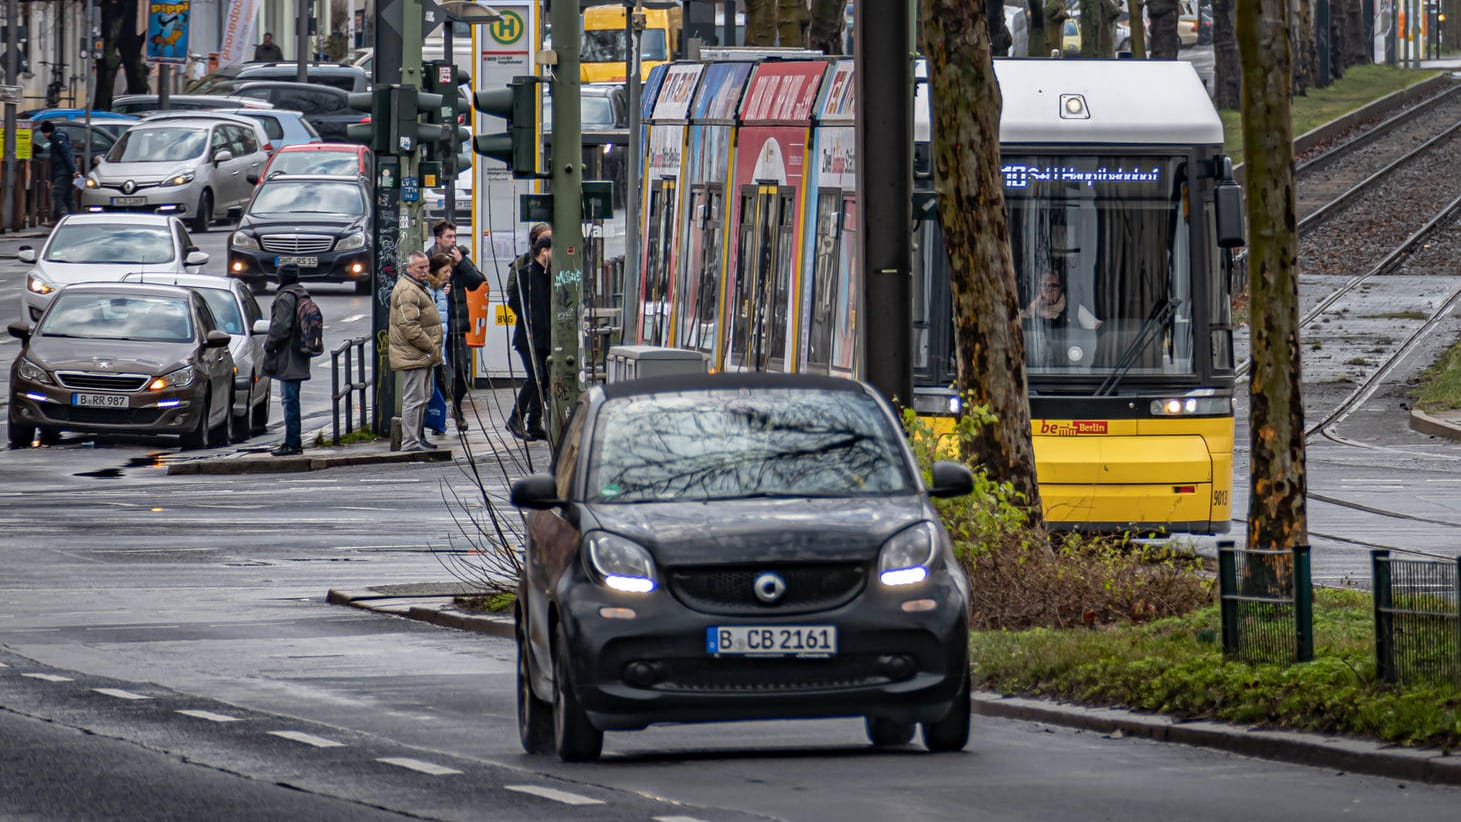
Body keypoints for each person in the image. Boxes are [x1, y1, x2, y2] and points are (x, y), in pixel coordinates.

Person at [427, 220, 486, 430]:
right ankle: (438, 415)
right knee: (437, 374)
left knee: (461, 370)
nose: (453, 241)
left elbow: (477, 281)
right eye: (448, 237)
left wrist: (462, 262)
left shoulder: (459, 259)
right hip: (435, 327)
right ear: (438, 239)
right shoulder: (428, 259)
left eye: (454, 237)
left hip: (457, 325)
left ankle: (457, 407)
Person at [389, 251, 443, 452]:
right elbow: (409, 326)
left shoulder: (417, 287)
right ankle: (410, 442)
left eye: (426, 266)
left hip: (422, 354)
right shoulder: (408, 290)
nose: (425, 271)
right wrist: (430, 346)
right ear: (409, 268)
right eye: (420, 267)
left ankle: (415, 439)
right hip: (415, 353)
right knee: (414, 399)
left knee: (422, 398)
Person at [262, 265, 312, 457]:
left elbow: (281, 326)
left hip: (288, 355)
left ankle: (292, 442)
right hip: (299, 353)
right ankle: (293, 441)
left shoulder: (285, 297)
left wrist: (269, 344)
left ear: (280, 277)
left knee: (289, 400)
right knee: (292, 398)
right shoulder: (301, 293)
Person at [506, 234, 552, 441]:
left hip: (545, 337)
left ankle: (534, 422)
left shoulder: (549, 274)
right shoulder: (526, 274)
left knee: (544, 380)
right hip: (528, 337)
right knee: (536, 377)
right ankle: (515, 418)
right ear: (544, 251)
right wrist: (531, 318)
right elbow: (514, 301)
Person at [427, 252, 454, 438]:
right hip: (433, 348)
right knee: (433, 387)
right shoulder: (433, 290)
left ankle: (438, 422)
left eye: (450, 271)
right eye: (445, 271)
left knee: (437, 386)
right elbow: (432, 318)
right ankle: (436, 422)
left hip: (440, 347)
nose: (448, 274)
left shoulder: (441, 289)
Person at [1023, 273, 1102, 330]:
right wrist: (1033, 308)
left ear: (1060, 289)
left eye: (1053, 286)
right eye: (1043, 285)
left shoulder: (1074, 308)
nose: (1049, 290)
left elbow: (1097, 329)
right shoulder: (1028, 307)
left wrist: (1057, 316)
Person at [39, 121, 79, 223]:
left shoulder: (58, 139)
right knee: (68, 197)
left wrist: (73, 170)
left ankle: (57, 219)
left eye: (44, 133)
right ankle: (73, 219)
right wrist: (51, 180)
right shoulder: (55, 139)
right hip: (63, 171)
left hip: (64, 172)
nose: (44, 135)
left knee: (57, 194)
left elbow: (67, 155)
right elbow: (54, 161)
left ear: (48, 131)